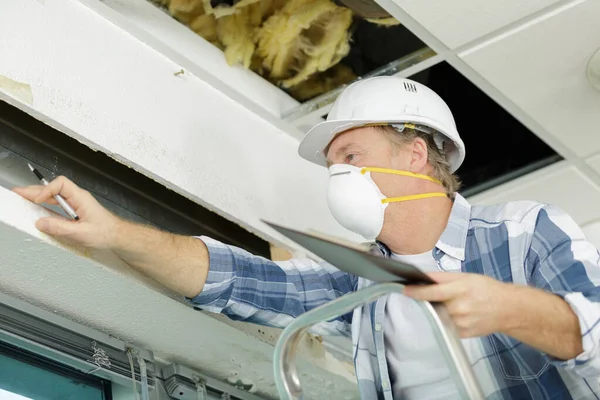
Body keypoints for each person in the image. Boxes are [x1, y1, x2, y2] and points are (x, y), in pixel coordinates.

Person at [13, 76, 600, 400]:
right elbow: (241, 280)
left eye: (351, 154)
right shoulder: (363, 282)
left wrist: (510, 307)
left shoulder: (522, 233)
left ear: (416, 154)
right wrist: (114, 233)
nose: (339, 175)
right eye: (333, 165)